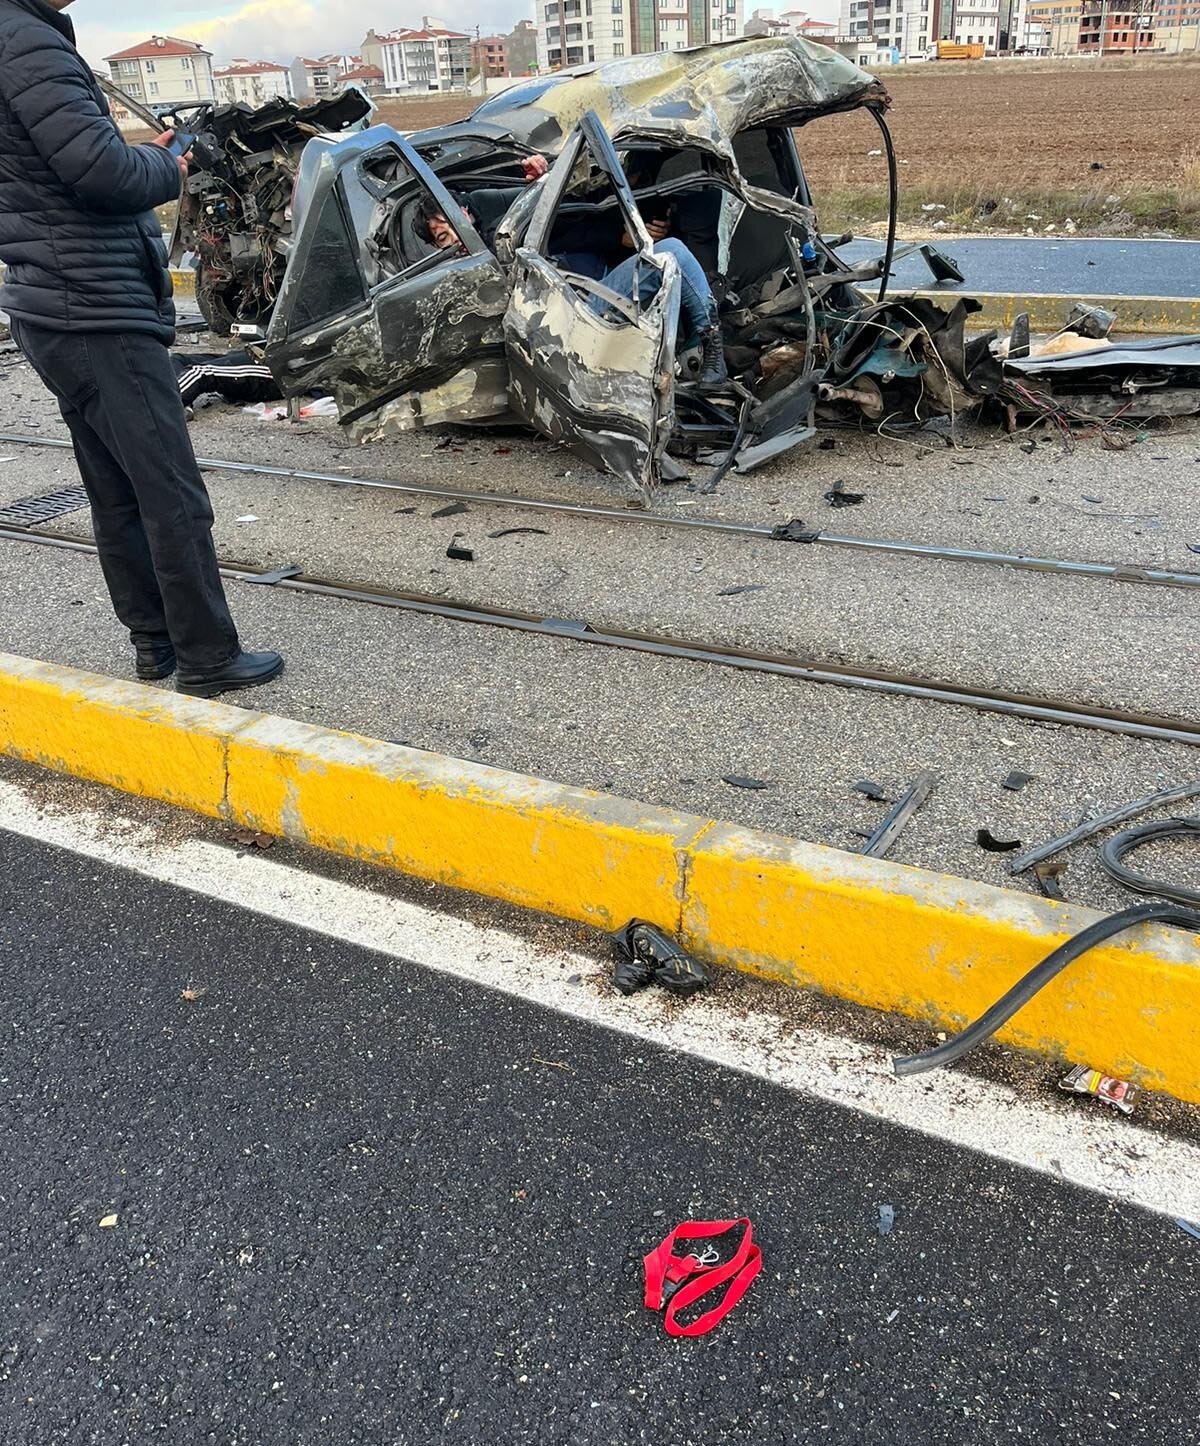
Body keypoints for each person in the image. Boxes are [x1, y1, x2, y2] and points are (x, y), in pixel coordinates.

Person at [0, 0, 283, 698]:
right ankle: (208, 656)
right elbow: (105, 175)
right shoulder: (24, 39)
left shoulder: (19, 36)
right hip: (94, 304)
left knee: (117, 488)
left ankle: (155, 644)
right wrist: (169, 163)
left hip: (51, 301)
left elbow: (50, 169)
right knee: (169, 492)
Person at [416, 157, 729, 391]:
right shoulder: (463, 272)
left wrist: (539, 171)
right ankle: (709, 350)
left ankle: (703, 353)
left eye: (454, 227)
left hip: (593, 290)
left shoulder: (498, 223)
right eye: (444, 240)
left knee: (670, 257)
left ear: (465, 213)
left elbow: (561, 206)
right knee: (671, 252)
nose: (456, 241)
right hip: (571, 317)